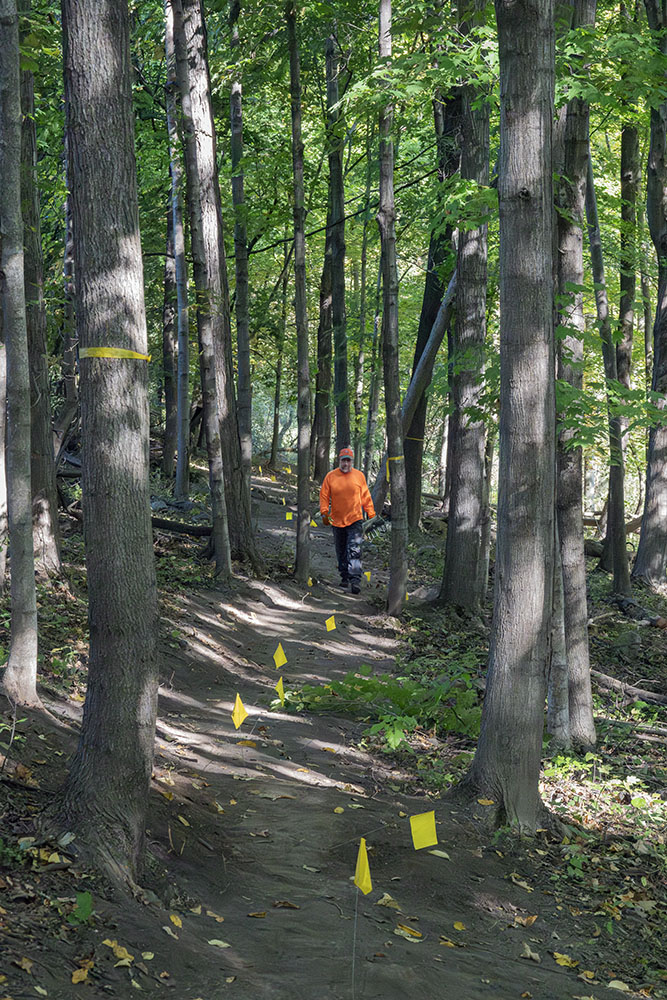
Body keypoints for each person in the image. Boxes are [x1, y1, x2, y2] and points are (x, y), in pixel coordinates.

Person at [319, 447, 376, 593]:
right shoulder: (330, 476)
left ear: (352, 461)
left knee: (354, 549)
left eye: (348, 461)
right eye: (343, 461)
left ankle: (355, 580)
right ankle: (344, 576)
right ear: (339, 461)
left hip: (355, 518)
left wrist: (371, 514)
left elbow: (366, 496)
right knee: (341, 549)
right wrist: (324, 512)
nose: (346, 464)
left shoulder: (359, 476)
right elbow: (324, 496)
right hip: (336, 519)